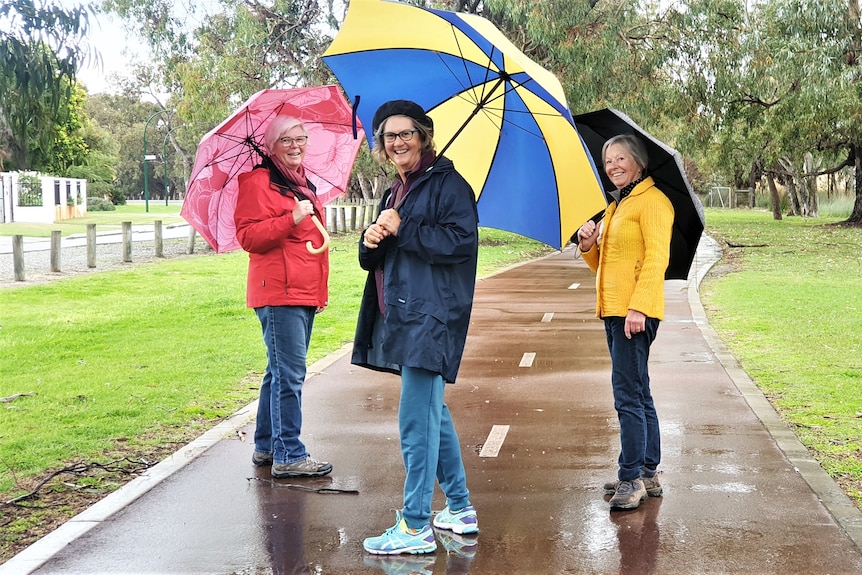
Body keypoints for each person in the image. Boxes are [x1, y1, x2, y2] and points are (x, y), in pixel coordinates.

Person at [353, 100, 480, 554]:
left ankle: (414, 525)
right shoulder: (396, 191)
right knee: (433, 415)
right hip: (401, 315)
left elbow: (459, 243)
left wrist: (402, 229)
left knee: (416, 422)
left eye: (406, 134)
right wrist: (372, 239)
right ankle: (461, 509)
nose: (398, 142)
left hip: (431, 316)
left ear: (424, 136)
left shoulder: (449, 186)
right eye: (389, 136)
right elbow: (380, 257)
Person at [575, 133, 674, 510]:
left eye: (620, 159)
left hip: (632, 313)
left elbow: (655, 260)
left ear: (639, 162)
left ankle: (630, 477)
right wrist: (589, 245)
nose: (613, 166)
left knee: (627, 395)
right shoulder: (617, 206)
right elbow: (606, 266)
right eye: (608, 161)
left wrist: (639, 308)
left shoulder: (653, 203)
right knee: (638, 389)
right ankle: (647, 472)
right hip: (614, 309)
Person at [233, 116, 332, 479]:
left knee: (278, 372)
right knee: (290, 374)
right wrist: (290, 219)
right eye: (287, 141)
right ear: (271, 147)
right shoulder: (258, 182)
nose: (296, 146)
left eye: (301, 139)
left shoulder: (303, 185)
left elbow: (314, 246)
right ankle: (289, 452)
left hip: (303, 291)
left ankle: (266, 445)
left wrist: (318, 293)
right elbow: (249, 238)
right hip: (278, 292)